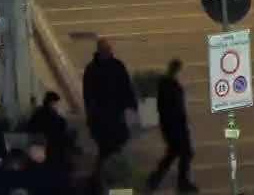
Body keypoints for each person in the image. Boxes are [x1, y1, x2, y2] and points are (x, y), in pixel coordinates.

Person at [83, 39, 138, 179]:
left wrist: (131, 107)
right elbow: (89, 97)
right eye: (106, 50)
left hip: (115, 117)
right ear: (100, 51)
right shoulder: (92, 70)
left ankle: (98, 181)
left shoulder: (116, 66)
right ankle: (104, 181)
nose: (109, 52)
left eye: (109, 49)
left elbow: (126, 88)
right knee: (110, 152)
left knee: (109, 152)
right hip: (103, 119)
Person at [146, 58, 198, 193]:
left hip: (170, 126)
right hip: (175, 126)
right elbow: (175, 109)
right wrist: (184, 123)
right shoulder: (171, 86)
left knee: (174, 152)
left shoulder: (166, 84)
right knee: (185, 152)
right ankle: (182, 183)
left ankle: (156, 178)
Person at [25, 90, 77, 176]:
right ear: (52, 103)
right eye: (57, 104)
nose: (58, 106)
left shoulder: (36, 115)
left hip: (36, 154)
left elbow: (29, 130)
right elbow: (60, 136)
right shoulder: (58, 120)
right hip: (53, 156)